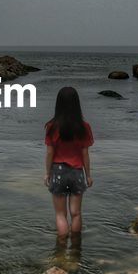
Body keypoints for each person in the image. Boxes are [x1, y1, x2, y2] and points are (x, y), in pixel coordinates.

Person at [44, 86, 94, 241]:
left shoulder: (51, 127)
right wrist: (89, 175)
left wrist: (47, 173)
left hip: (58, 171)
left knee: (60, 214)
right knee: (76, 213)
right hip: (77, 171)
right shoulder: (84, 127)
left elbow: (50, 153)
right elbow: (85, 154)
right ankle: (76, 248)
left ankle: (61, 248)